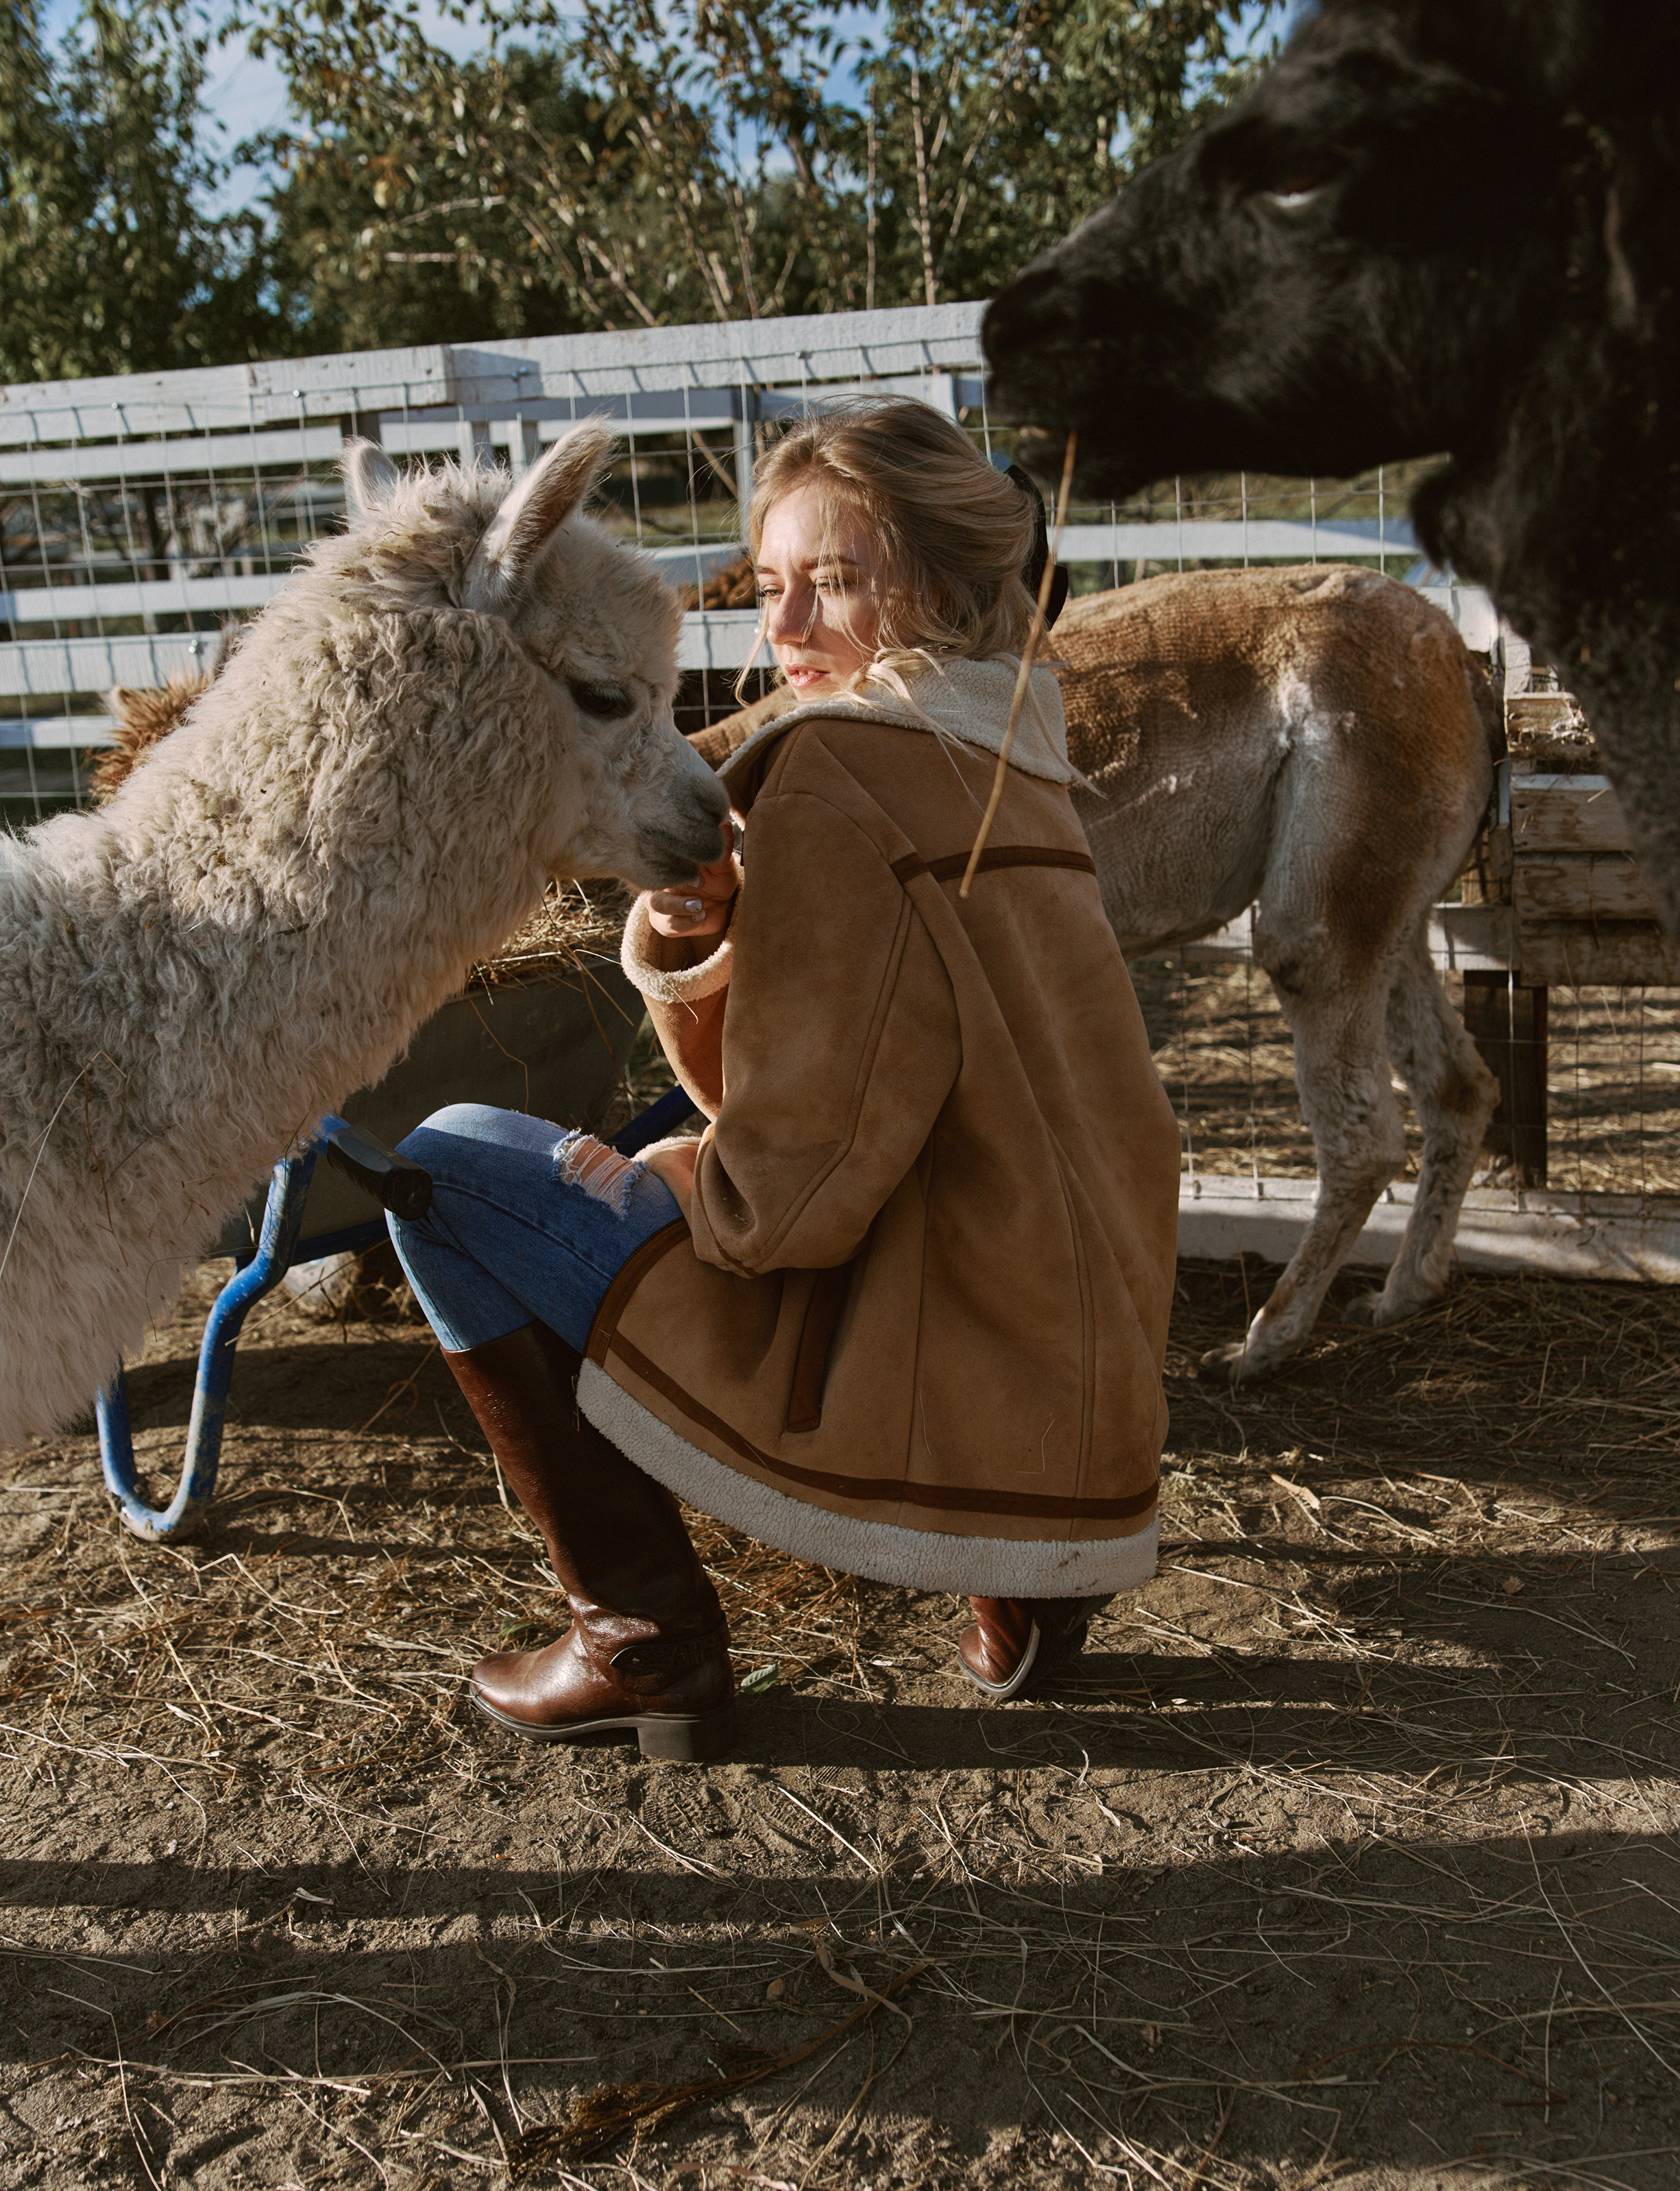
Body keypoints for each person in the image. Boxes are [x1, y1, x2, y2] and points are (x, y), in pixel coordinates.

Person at [389, 396, 1180, 1761]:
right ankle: (1024, 1561)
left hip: (910, 1345)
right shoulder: (1012, 758)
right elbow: (934, 1069)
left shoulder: (829, 772)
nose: (788, 630)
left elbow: (796, 1189)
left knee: (444, 1160)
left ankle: (639, 1635)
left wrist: (659, 1182)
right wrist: (699, 939)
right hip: (1070, 1356)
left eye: (835, 581)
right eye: (768, 588)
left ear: (931, 585)